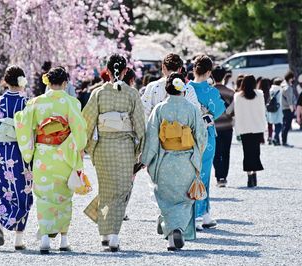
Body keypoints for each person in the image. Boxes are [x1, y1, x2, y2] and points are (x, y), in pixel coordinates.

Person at [14, 66, 87, 254]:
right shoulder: (72, 103)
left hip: (43, 155)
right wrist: (78, 149)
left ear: (48, 82)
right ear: (65, 83)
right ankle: (63, 240)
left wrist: (19, 119)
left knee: (44, 196)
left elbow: (23, 125)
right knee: (64, 195)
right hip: (64, 155)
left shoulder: (35, 102)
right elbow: (79, 130)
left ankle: (45, 239)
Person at [82, 54, 145, 252]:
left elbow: (87, 122)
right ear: (125, 71)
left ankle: (104, 234)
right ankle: (114, 236)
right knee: (121, 191)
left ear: (107, 71)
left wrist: (88, 148)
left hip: (103, 148)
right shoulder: (132, 94)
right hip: (124, 148)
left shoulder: (98, 93)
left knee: (107, 189)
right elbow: (140, 125)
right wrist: (139, 151)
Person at [142, 72, 207, 251]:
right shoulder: (192, 109)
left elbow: (152, 139)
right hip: (186, 161)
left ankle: (172, 235)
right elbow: (201, 137)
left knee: (165, 199)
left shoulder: (160, 109)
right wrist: (196, 156)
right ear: (183, 89)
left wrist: (145, 160)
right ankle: (177, 230)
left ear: (167, 88)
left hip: (165, 161)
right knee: (185, 199)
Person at [0, 65, 33, 250]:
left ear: (6, 81)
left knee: (2, 191)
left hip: (2, 152)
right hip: (21, 153)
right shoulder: (27, 103)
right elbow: (32, 130)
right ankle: (19, 239)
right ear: (22, 81)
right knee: (23, 193)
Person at [188, 55, 225, 231]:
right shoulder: (212, 92)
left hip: (187, 136)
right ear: (209, 72)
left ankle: (197, 215)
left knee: (188, 174)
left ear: (194, 69)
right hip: (207, 137)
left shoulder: (185, 88)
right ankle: (202, 215)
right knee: (204, 174)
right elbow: (219, 109)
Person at [234, 75, 266, 187]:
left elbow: (237, 113)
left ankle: (249, 176)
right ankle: (254, 174)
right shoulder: (260, 94)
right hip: (257, 126)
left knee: (247, 152)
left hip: (244, 127)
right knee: (256, 151)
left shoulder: (237, 96)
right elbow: (263, 111)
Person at [141, 53, 183, 121]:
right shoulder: (187, 88)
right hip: (182, 129)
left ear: (163, 67)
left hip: (158, 128)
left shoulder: (152, 87)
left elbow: (144, 110)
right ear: (180, 69)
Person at [211, 66, 234, 187]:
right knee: (226, 153)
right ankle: (223, 177)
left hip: (213, 127)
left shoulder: (209, 91)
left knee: (215, 152)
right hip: (227, 126)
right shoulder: (230, 92)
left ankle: (218, 177)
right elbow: (233, 111)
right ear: (224, 76)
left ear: (212, 76)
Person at [282, 71, 296, 147]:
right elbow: (290, 100)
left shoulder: (284, 86)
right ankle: (284, 141)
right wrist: (292, 109)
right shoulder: (288, 88)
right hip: (288, 108)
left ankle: (283, 140)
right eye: (293, 77)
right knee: (287, 125)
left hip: (284, 108)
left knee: (285, 125)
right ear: (290, 78)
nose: (294, 79)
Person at [266, 79, 283, 145]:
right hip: (278, 108)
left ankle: (277, 140)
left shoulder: (271, 90)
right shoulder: (280, 90)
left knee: (275, 124)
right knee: (279, 125)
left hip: (272, 109)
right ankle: (275, 137)